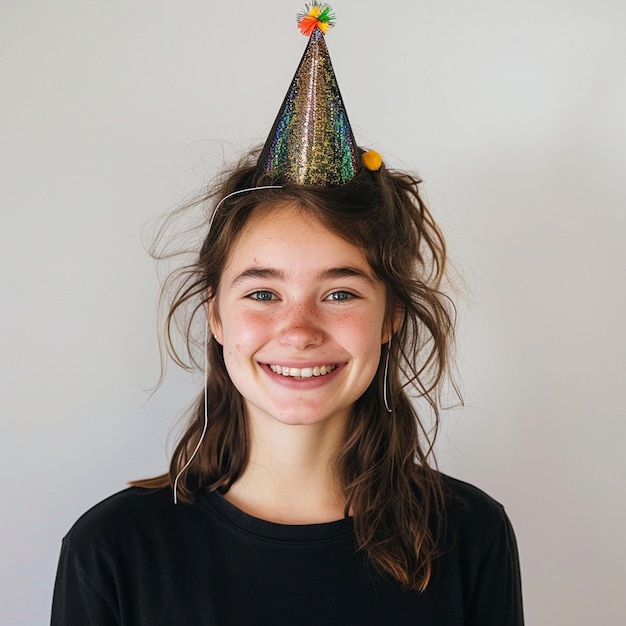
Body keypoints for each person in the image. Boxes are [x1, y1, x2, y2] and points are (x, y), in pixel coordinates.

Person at [52, 4, 524, 624]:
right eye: (263, 293)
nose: (299, 331)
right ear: (215, 317)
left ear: (391, 319)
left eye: (340, 292)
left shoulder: (468, 536)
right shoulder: (113, 549)